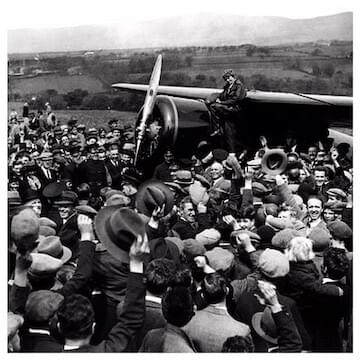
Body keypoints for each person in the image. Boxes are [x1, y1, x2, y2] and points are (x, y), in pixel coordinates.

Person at [205, 69, 247, 153]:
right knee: (228, 133)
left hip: (234, 109)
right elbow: (222, 95)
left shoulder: (239, 86)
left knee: (214, 107)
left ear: (233, 76)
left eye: (229, 78)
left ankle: (216, 128)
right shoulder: (228, 86)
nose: (228, 80)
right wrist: (212, 99)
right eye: (226, 79)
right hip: (227, 108)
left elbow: (236, 99)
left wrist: (222, 102)